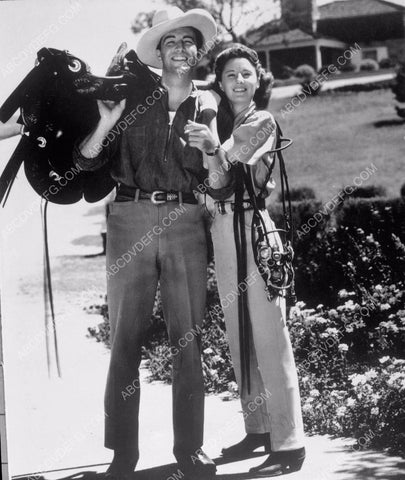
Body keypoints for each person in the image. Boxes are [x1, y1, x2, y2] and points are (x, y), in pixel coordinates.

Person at [74, 7, 233, 480]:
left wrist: (213, 151)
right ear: (158, 53)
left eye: (189, 42)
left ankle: (191, 449)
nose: (181, 49)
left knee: (189, 339)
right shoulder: (130, 98)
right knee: (124, 338)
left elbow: (222, 188)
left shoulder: (210, 106)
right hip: (129, 216)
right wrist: (105, 121)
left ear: (197, 51)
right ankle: (122, 453)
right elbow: (84, 164)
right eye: (171, 43)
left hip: (187, 220)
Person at [186, 44, 306, 476]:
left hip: (253, 228)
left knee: (271, 336)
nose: (239, 81)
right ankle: (258, 429)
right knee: (240, 336)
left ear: (258, 80)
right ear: (219, 82)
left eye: (246, 74)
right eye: (230, 75)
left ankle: (289, 442)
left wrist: (210, 146)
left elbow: (221, 178)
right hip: (222, 229)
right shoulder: (214, 121)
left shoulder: (261, 121)